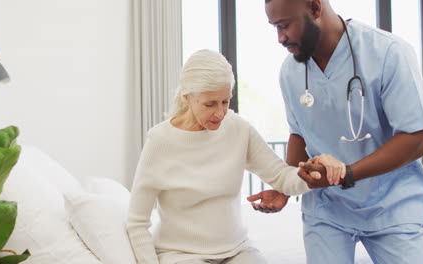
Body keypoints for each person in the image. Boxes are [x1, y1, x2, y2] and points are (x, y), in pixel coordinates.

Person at [249, 0, 423, 263]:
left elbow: (419, 136)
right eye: (275, 27)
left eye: (285, 25)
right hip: (327, 209)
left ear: (314, 8)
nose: (280, 38)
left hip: (390, 204)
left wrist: (346, 173)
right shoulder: (290, 71)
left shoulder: (388, 52)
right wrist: (285, 186)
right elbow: (299, 133)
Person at [126, 49, 326, 264]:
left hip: (237, 250)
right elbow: (137, 223)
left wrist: (313, 176)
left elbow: (282, 177)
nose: (220, 113)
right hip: (180, 255)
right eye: (210, 104)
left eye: (225, 101)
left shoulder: (238, 128)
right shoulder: (160, 141)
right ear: (187, 97)